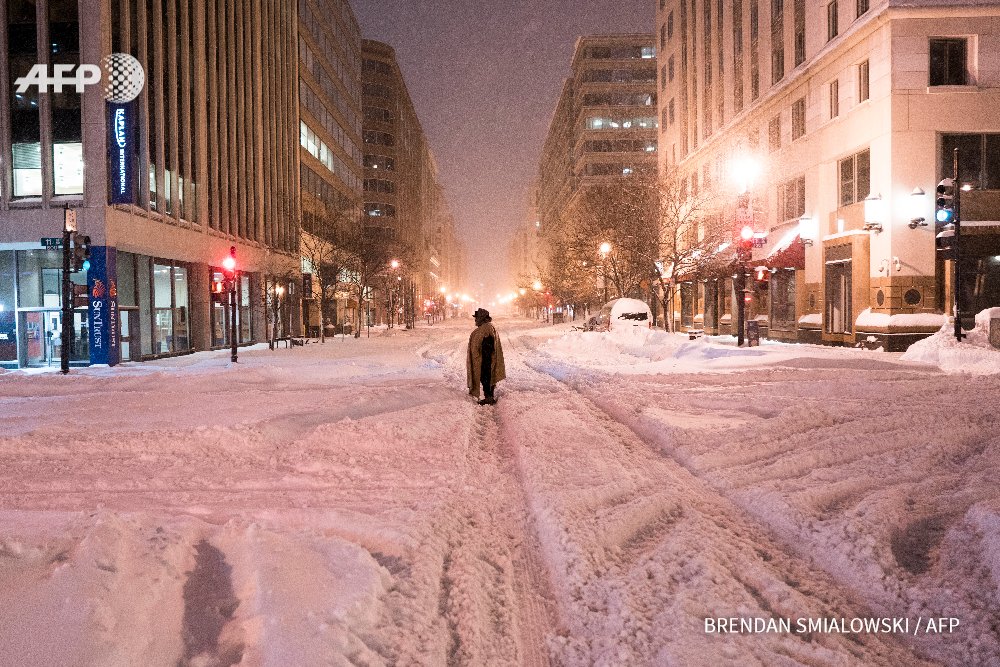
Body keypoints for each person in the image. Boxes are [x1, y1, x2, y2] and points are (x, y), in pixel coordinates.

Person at [467, 308, 506, 406]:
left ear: (482, 318)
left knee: (486, 377)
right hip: (485, 359)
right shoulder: (486, 327)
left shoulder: (486, 328)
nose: (475, 320)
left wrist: (483, 357)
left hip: (485, 359)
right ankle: (489, 396)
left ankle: (489, 397)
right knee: (486, 378)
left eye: (476, 318)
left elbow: (488, 344)